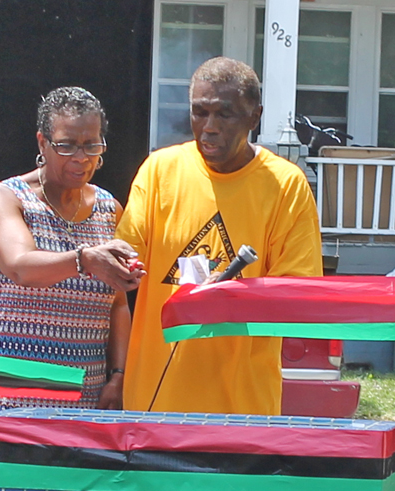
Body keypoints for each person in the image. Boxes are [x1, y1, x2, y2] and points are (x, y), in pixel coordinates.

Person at [0, 86, 143, 491]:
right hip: (8, 401)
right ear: (42, 142)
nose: (81, 158)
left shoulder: (109, 209)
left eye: (92, 145)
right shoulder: (6, 198)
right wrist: (84, 259)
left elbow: (117, 304)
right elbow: (19, 266)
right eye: (66, 145)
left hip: (84, 402)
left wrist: (119, 374)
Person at [115, 57, 322, 415]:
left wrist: (227, 294)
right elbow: (126, 260)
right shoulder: (160, 170)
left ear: (254, 117)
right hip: (156, 401)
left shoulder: (285, 185)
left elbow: (299, 296)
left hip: (244, 408)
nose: (208, 127)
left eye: (224, 115)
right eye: (199, 112)